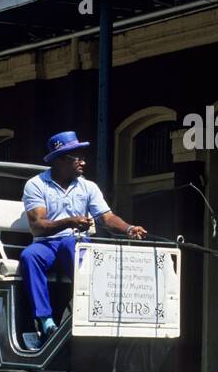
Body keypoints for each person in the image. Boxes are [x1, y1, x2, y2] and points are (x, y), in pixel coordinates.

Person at [20, 130, 147, 351]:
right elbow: (37, 225)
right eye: (77, 157)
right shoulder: (36, 185)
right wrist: (69, 221)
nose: (83, 162)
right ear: (60, 159)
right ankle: (46, 321)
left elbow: (107, 218)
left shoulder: (88, 187)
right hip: (46, 242)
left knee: (74, 248)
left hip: (74, 241)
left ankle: (89, 312)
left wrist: (129, 229)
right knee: (29, 256)